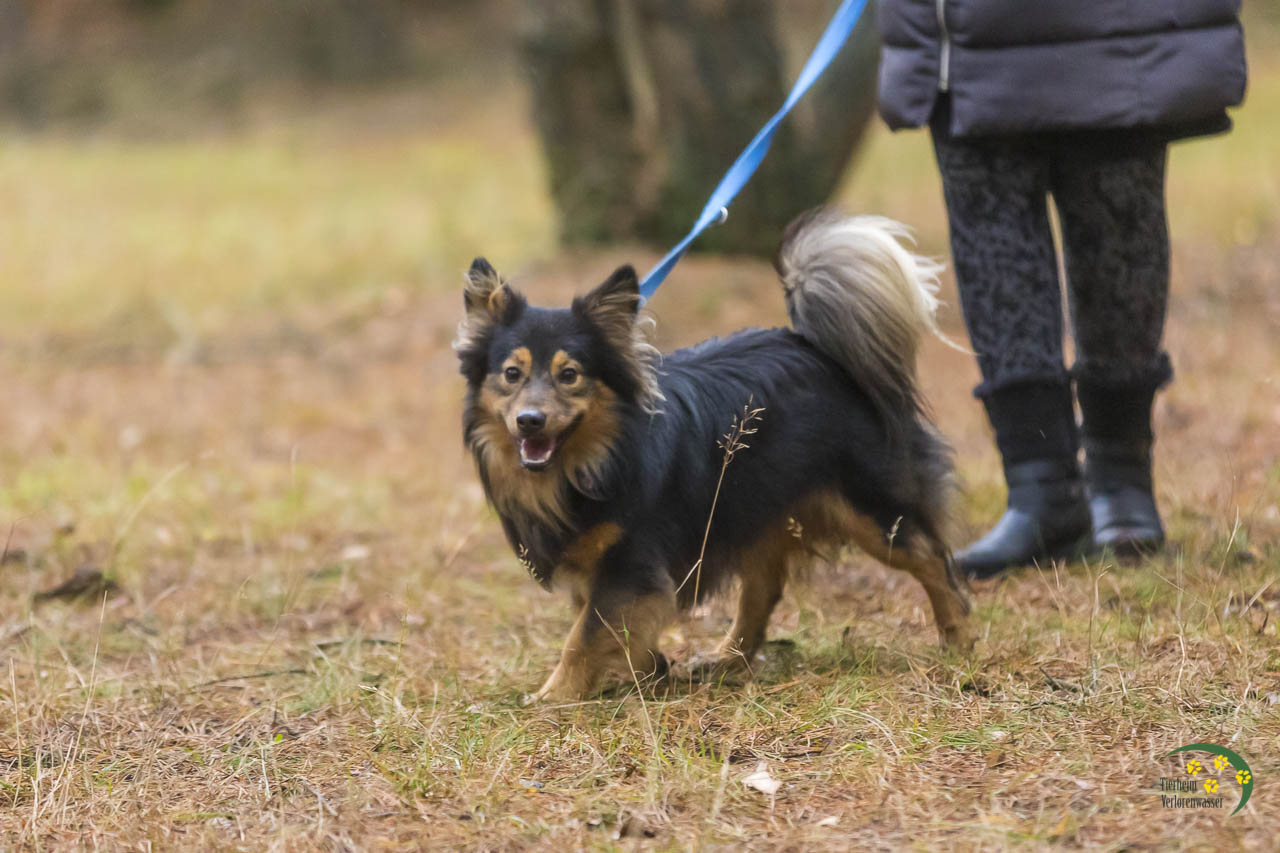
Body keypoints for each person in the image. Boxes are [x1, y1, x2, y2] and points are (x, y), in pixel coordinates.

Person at [876, 1, 1248, 577]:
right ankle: (1042, 486)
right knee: (998, 246)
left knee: (1118, 229)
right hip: (971, 43)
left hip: (1115, 32)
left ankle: (1119, 476)